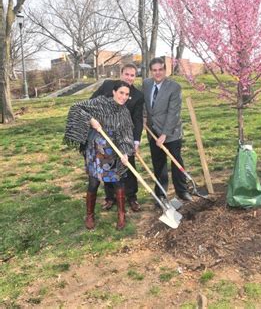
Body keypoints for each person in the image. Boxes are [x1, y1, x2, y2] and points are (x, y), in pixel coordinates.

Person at [64, 81, 134, 230]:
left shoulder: (124, 113)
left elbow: (126, 136)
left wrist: (125, 153)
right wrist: (91, 120)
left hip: (113, 151)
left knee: (117, 181)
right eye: (121, 93)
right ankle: (89, 215)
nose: (123, 97)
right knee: (94, 182)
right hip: (95, 151)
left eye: (127, 94)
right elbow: (76, 108)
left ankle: (121, 214)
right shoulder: (100, 102)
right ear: (114, 92)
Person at [90, 64, 144, 212]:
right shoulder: (108, 85)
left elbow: (138, 119)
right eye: (127, 74)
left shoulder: (138, 95)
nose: (129, 77)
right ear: (121, 74)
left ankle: (132, 197)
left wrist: (136, 141)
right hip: (105, 134)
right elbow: (92, 102)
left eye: (132, 75)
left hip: (125, 135)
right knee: (108, 165)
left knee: (129, 165)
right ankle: (110, 197)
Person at [144, 57, 192, 202]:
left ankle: (182, 191)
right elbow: (144, 104)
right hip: (153, 132)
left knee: (176, 161)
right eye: (154, 70)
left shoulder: (174, 87)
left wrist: (164, 134)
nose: (157, 73)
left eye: (160, 70)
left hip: (171, 132)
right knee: (158, 164)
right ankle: (161, 194)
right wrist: (144, 117)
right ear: (151, 71)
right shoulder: (146, 84)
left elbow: (173, 113)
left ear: (165, 70)